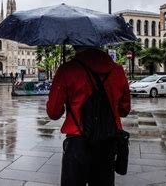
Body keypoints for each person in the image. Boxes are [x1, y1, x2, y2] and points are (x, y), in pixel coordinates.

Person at [47, 47, 131, 186]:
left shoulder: (67, 69)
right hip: (107, 142)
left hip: (77, 142)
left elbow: (53, 113)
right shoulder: (117, 70)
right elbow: (124, 110)